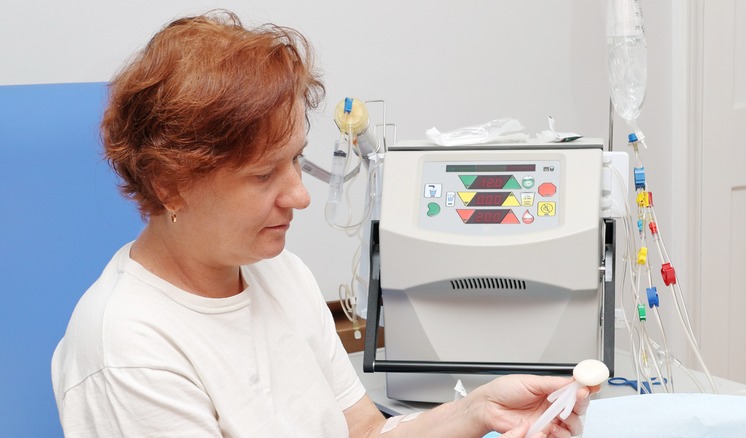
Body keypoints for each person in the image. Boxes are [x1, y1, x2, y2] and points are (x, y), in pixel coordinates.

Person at [51, 10, 598, 438]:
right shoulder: (128, 350)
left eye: (295, 159)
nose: (300, 196)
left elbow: (364, 430)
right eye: (265, 175)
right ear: (171, 185)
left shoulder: (277, 273)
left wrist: (478, 410)